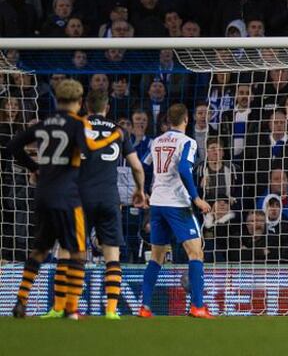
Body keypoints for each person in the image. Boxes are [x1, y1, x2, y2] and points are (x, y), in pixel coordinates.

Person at [7, 79, 122, 318]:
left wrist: (34, 167)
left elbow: (12, 146)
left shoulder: (44, 124)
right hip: (68, 197)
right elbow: (90, 148)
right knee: (78, 252)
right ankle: (70, 309)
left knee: (40, 250)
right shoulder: (77, 124)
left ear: (57, 100)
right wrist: (114, 136)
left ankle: (21, 301)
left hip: (42, 195)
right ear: (79, 102)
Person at [41, 90, 146, 320]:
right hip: (109, 198)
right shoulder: (119, 131)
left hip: (78, 198)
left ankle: (60, 308)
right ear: (107, 107)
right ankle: (110, 312)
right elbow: (137, 167)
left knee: (67, 253)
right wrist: (140, 190)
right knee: (112, 255)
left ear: (85, 106)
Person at [139, 103, 213, 319]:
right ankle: (198, 306)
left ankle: (144, 308)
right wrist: (196, 198)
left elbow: (143, 165)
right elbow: (183, 169)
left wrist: (143, 191)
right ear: (186, 119)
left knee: (156, 257)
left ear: (168, 121)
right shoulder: (187, 142)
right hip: (177, 204)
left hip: (157, 203)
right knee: (196, 252)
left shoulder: (156, 141)